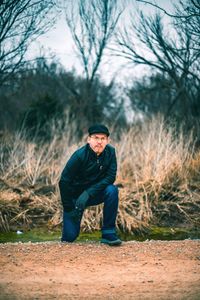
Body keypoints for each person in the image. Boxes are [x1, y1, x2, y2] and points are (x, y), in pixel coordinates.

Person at [59, 124, 122, 246]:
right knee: (69, 239)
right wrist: (69, 208)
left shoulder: (110, 152)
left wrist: (88, 193)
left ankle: (108, 234)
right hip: (75, 199)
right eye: (96, 138)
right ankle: (70, 229)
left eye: (103, 138)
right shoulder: (79, 156)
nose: (99, 142)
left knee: (112, 190)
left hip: (93, 194)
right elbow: (64, 182)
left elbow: (110, 177)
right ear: (89, 140)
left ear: (107, 141)